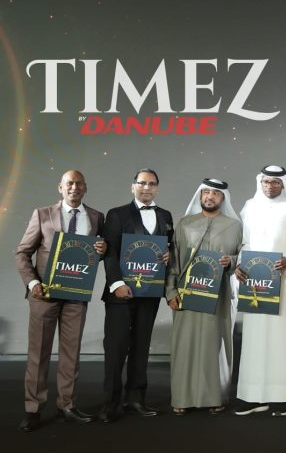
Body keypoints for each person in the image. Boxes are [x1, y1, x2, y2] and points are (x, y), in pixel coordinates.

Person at [15, 170, 106, 432]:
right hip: (44, 294)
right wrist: (33, 283)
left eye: (79, 184)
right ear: (61, 187)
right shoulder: (42, 214)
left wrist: (104, 249)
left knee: (71, 353)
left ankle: (67, 405)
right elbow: (22, 253)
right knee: (38, 353)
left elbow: (96, 252)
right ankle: (33, 409)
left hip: (76, 294)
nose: (74, 187)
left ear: (85, 188)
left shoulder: (96, 217)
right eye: (69, 183)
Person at [99, 168, 173, 423]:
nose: (146, 188)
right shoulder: (116, 214)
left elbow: (168, 247)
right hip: (120, 293)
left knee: (141, 346)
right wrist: (116, 283)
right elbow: (109, 252)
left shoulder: (165, 216)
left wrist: (169, 255)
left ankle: (136, 399)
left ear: (157, 188)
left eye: (152, 184)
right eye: (142, 183)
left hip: (149, 292)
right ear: (133, 187)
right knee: (116, 347)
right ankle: (110, 403)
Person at [233, 166, 286, 416]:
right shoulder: (250, 206)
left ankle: (281, 397)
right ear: (260, 182)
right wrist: (239, 264)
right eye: (266, 181)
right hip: (254, 280)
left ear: (283, 184)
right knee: (254, 338)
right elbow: (243, 241)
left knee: (281, 338)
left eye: (275, 182)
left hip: (283, 281)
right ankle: (252, 396)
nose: (270, 186)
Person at [165, 178, 242, 414]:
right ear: (200, 196)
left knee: (214, 346)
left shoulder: (235, 226)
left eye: (215, 193)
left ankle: (214, 397)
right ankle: (182, 398)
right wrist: (171, 291)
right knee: (185, 345)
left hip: (219, 296)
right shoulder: (184, 224)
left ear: (223, 198)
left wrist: (232, 262)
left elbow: (243, 258)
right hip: (186, 295)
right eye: (206, 192)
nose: (209, 196)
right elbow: (174, 261)